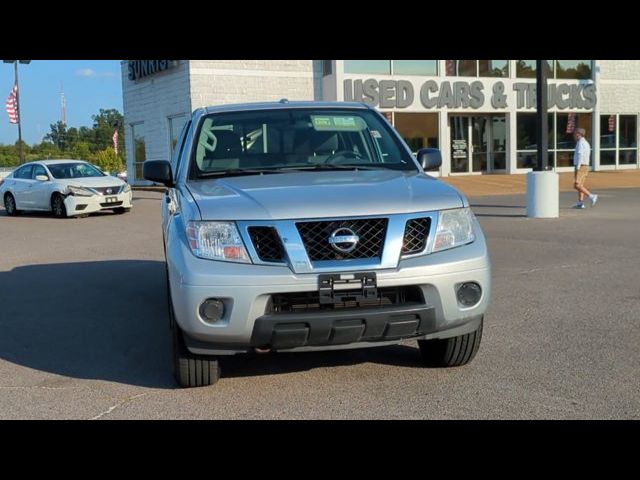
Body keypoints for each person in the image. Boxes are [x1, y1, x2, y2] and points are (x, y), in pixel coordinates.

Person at [573, 127, 598, 209]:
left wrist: (578, 166)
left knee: (577, 185)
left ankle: (591, 196)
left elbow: (580, 154)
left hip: (581, 166)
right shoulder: (586, 143)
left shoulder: (580, 142)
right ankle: (580, 203)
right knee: (581, 185)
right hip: (585, 166)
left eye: (576, 133)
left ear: (579, 134)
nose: (574, 135)